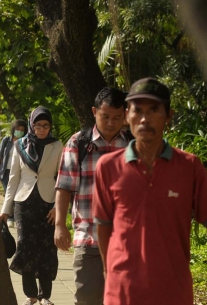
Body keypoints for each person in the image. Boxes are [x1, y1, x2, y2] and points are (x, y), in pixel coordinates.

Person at [93, 78, 207, 305]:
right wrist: (107, 268)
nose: (144, 119)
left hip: (173, 291)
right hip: (123, 290)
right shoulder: (107, 167)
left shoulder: (189, 167)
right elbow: (103, 224)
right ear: (127, 116)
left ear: (168, 116)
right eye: (137, 110)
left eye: (154, 110)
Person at [54, 87, 129, 305]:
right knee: (87, 299)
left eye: (117, 117)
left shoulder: (134, 144)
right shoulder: (79, 143)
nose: (111, 123)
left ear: (125, 115)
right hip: (89, 237)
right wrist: (60, 224)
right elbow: (64, 186)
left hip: (126, 240)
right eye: (105, 116)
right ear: (94, 111)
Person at [0, 106, 63, 305]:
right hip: (23, 203)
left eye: (46, 125)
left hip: (48, 204)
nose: (42, 129)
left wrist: (58, 208)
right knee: (25, 246)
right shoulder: (19, 146)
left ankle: (45, 296)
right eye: (38, 125)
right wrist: (5, 209)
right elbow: (13, 179)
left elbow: (62, 178)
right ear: (31, 124)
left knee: (47, 249)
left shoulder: (57, 145)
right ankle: (31, 295)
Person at [0, 119, 28, 228]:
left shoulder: (26, 142)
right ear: (13, 129)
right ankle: (10, 218)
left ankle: (13, 217)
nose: (20, 131)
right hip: (6, 172)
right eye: (18, 129)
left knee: (16, 194)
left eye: (22, 130)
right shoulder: (6, 141)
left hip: (19, 173)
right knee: (9, 194)